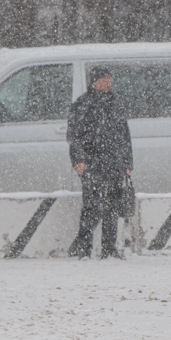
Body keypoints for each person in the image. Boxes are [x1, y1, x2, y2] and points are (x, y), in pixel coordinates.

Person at [67, 66, 133, 260]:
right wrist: (78, 159)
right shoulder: (82, 103)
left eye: (110, 79)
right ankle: (84, 249)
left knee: (112, 206)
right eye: (105, 79)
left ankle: (109, 248)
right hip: (92, 162)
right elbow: (74, 136)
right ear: (94, 82)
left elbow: (124, 136)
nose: (108, 83)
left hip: (114, 162)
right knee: (91, 206)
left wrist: (127, 161)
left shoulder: (116, 103)